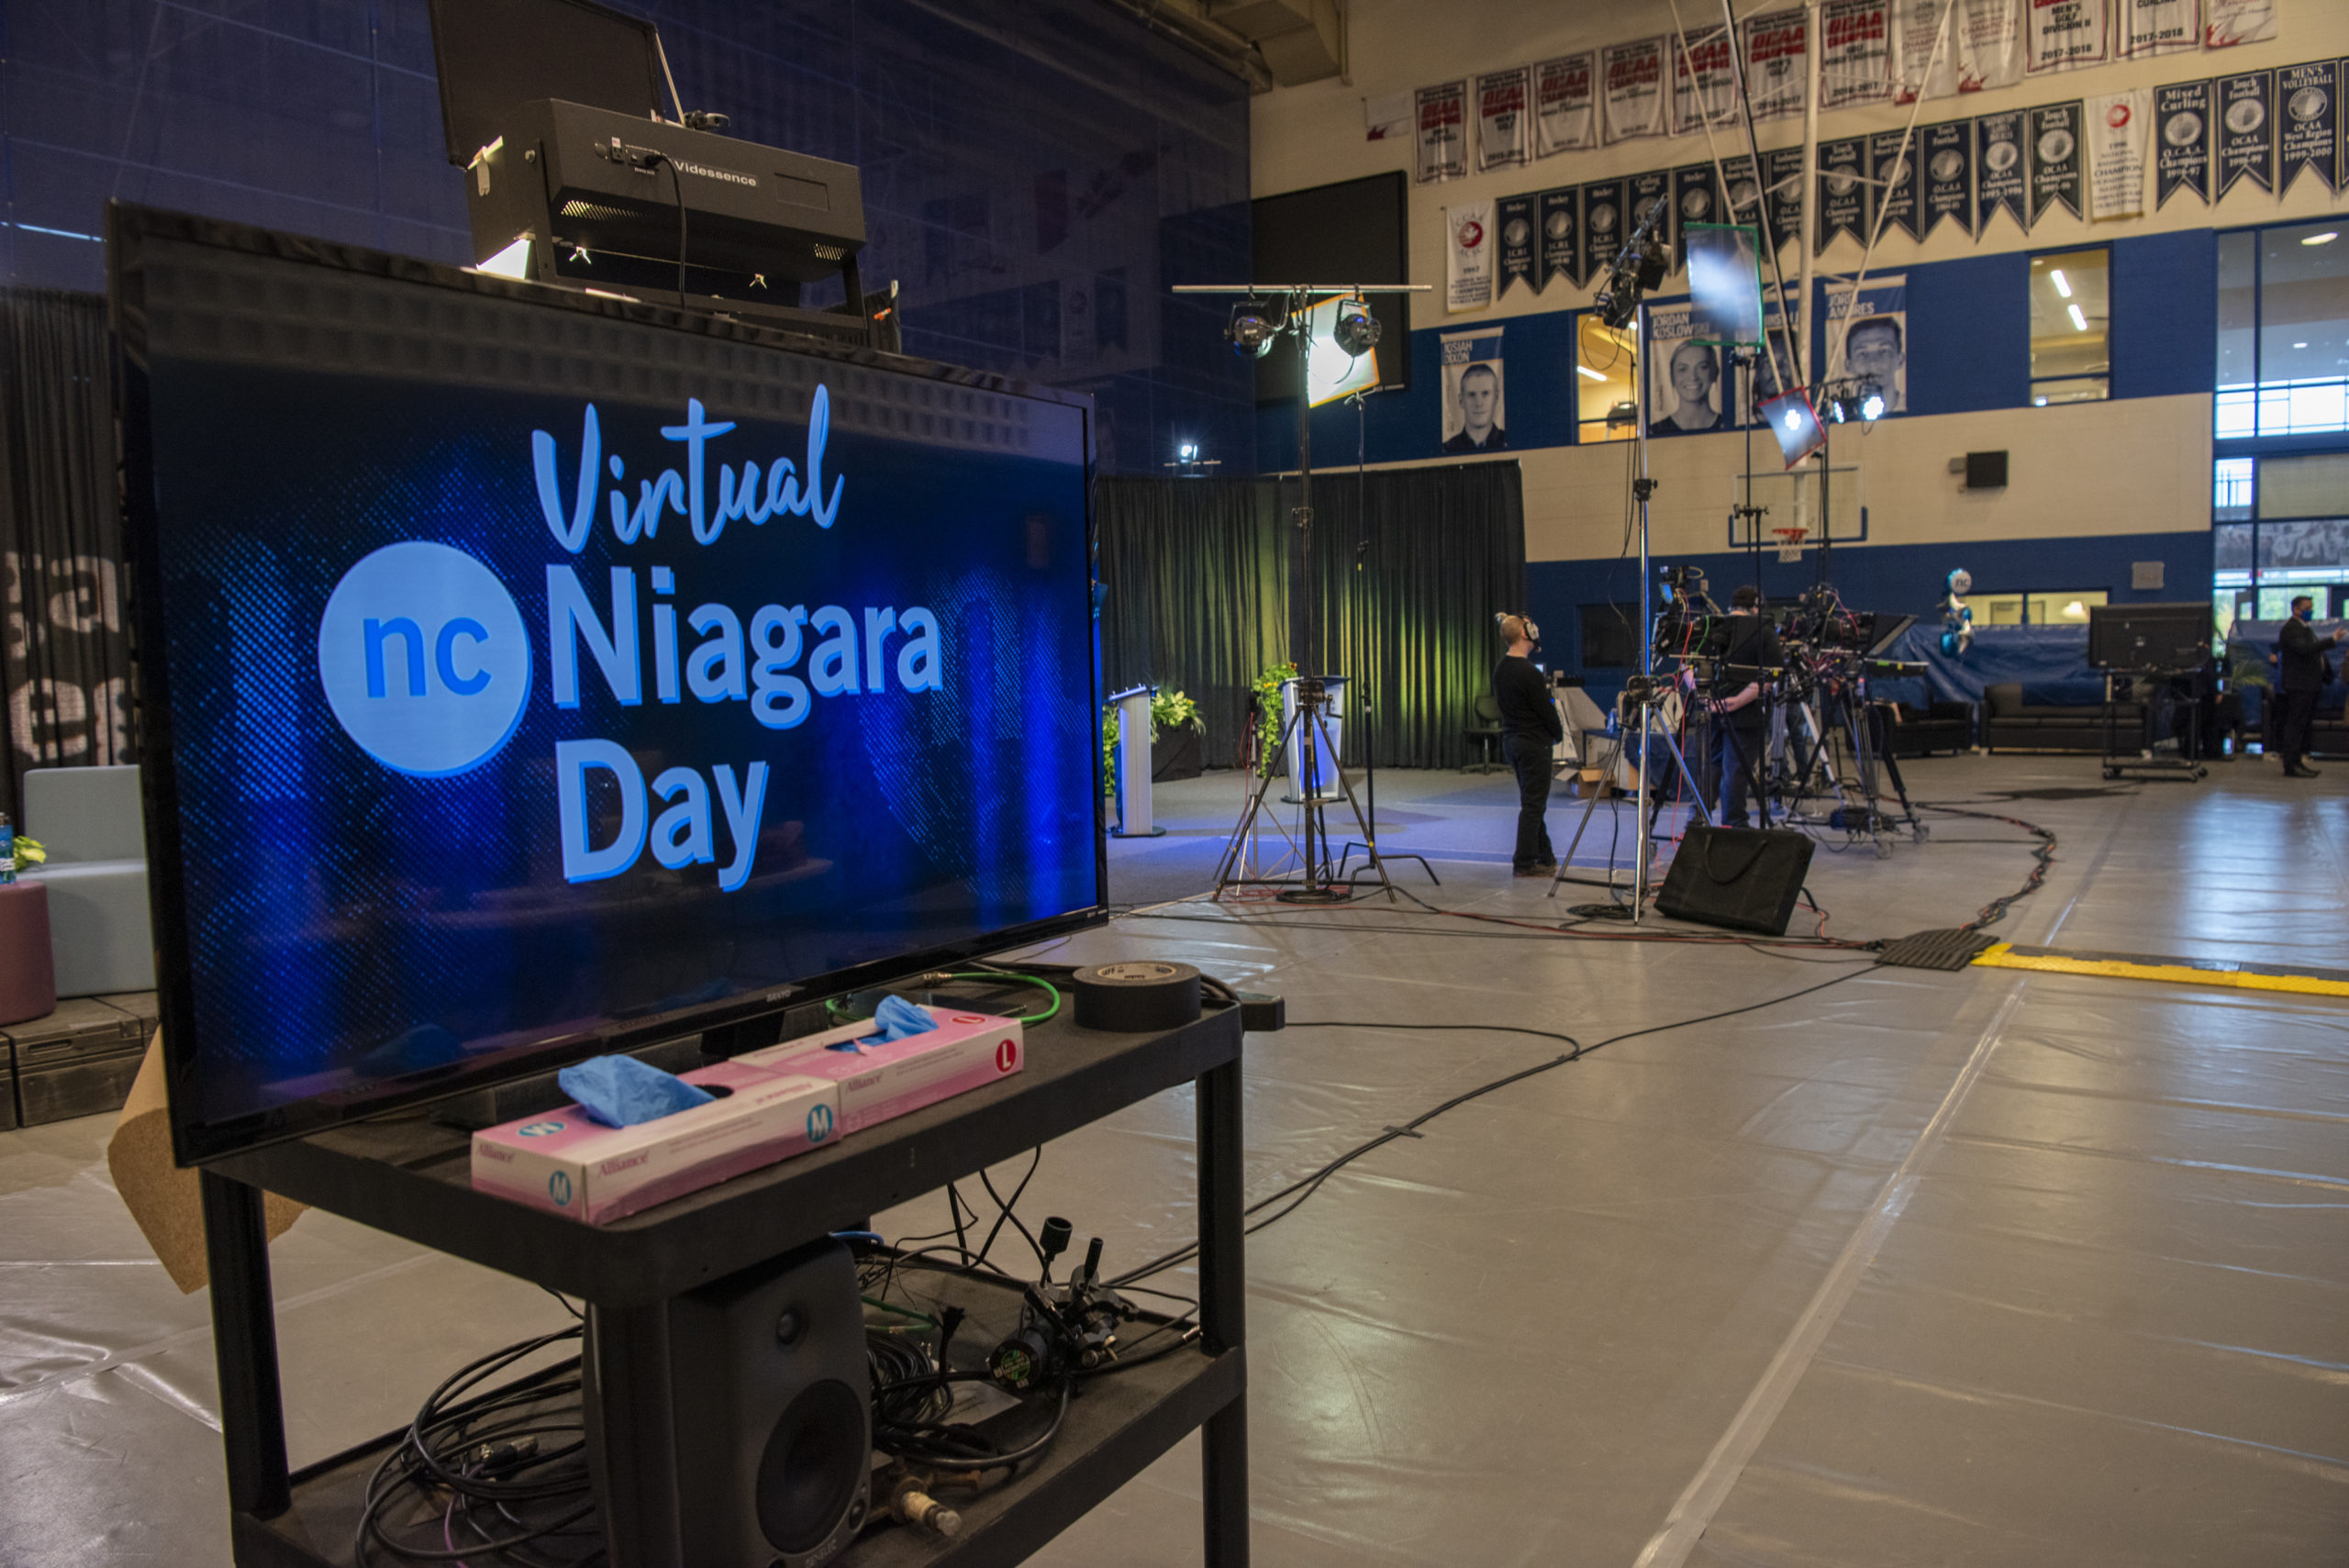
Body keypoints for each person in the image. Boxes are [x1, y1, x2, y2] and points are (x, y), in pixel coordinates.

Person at [1701, 584, 1783, 827]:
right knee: (1736, 771)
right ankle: (1735, 824)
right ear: (1756, 606)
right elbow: (1771, 674)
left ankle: (1698, 820)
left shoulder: (1713, 628)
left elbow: (1691, 666)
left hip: (1712, 710)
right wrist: (1738, 701)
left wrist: (1708, 700)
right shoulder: (1763, 631)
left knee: (1712, 767)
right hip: (1746, 714)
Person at [1492, 613, 1562, 875]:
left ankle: (1545, 856)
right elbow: (1545, 711)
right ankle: (1524, 862)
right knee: (1533, 805)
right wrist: (1558, 734)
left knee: (1533, 802)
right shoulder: (1529, 673)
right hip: (1534, 743)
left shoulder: (1501, 669)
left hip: (1513, 742)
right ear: (1525, 634)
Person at [2273, 595, 2344, 778]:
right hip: (2299, 685)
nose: (2310, 611)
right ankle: (2290, 765)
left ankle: (2297, 761)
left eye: (2311, 607)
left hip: (2309, 684)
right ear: (2296, 609)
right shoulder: (2291, 629)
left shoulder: (2305, 628)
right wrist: (2332, 640)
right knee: (2295, 725)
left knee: (2302, 725)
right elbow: (2304, 650)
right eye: (2307, 607)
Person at [1843, 316, 1906, 413]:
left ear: (1900, 360)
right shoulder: (1839, 412)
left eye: (1883, 351)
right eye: (1863, 354)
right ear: (1848, 365)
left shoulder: (1917, 408)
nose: (1873, 361)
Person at [1442, 362, 1508, 451]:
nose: (1478, 403)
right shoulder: (1448, 449)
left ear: (1496, 398)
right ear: (1461, 400)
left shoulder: (1507, 442)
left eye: (1485, 394)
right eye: (1471, 395)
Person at [1658, 341, 1720, 432]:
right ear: (1672, 376)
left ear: (1715, 373)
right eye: (1683, 369)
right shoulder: (1658, 430)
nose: (1693, 377)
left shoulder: (1725, 425)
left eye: (1702, 367)